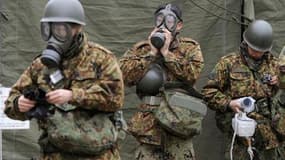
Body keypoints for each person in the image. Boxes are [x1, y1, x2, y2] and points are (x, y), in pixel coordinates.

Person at [4, 0, 124, 159]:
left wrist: (73, 96)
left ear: (78, 28)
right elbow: (10, 104)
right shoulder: (40, 65)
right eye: (51, 28)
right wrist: (19, 104)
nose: (55, 34)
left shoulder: (102, 59)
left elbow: (115, 99)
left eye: (61, 29)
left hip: (98, 154)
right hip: (55, 153)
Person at [120, 3, 204, 160]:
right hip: (149, 128)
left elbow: (192, 74)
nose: (163, 24)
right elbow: (124, 76)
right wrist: (152, 53)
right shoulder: (142, 49)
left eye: (169, 21)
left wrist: (166, 53)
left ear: (178, 25)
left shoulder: (190, 48)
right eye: (159, 19)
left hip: (179, 125)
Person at [202, 20, 285, 160]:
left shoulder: (274, 64)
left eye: (261, 51)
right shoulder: (228, 63)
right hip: (241, 135)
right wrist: (229, 103)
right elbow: (208, 92)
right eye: (254, 49)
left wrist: (281, 80)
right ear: (246, 43)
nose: (258, 53)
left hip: (270, 134)